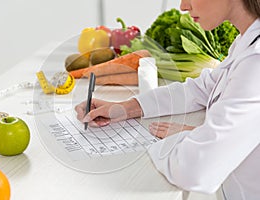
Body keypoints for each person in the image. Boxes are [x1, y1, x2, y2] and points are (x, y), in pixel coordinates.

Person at [75, 0, 260, 199]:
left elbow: (195, 171)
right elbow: (203, 87)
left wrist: (184, 137)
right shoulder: (246, 40)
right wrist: (127, 107)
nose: (183, 6)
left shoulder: (255, 62)